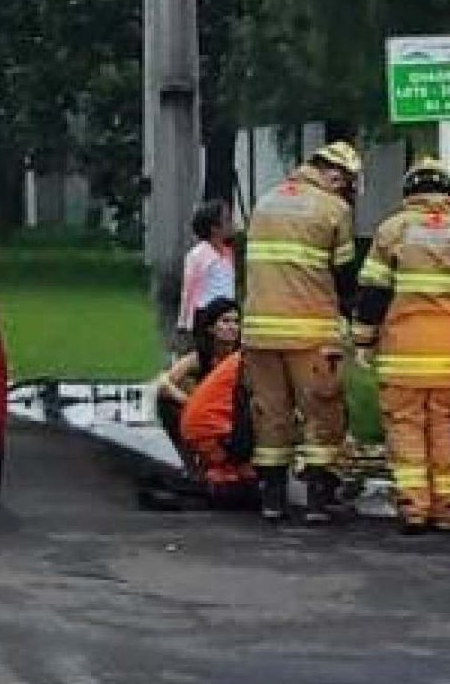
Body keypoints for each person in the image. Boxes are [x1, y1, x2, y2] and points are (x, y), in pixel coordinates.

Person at [353, 157, 450, 536]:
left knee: (406, 430)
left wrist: (363, 340)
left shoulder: (393, 231)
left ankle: (415, 508)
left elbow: (373, 295)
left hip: (403, 358)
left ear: (409, 194)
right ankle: (445, 507)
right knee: (443, 431)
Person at [241, 141, 366, 525]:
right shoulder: (333, 209)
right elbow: (345, 276)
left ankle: (273, 499)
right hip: (310, 331)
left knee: (271, 414)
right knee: (322, 413)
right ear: (335, 175)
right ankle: (318, 500)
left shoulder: (266, 201)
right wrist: (355, 319)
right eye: (347, 183)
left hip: (259, 331)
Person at [141, 300, 260, 511]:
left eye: (236, 321)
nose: (232, 327)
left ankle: (206, 478)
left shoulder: (242, 355)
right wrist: (193, 402)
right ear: (211, 328)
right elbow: (164, 382)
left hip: (227, 419)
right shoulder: (203, 357)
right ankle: (195, 468)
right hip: (214, 423)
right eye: (225, 321)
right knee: (167, 403)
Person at [173, 199, 238, 356]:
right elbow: (189, 290)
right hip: (206, 315)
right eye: (227, 220)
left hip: (226, 314)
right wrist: (184, 324)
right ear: (214, 228)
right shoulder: (199, 255)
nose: (232, 224)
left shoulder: (228, 253)